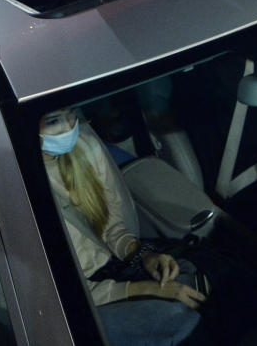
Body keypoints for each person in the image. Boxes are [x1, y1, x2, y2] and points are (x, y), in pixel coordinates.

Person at [40, 107, 205, 345]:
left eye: (72, 115)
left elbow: (110, 227)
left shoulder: (85, 147)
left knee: (186, 277)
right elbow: (56, 296)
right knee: (173, 317)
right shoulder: (13, 189)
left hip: (111, 271)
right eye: (54, 120)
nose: (69, 128)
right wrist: (145, 289)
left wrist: (140, 253)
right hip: (72, 300)